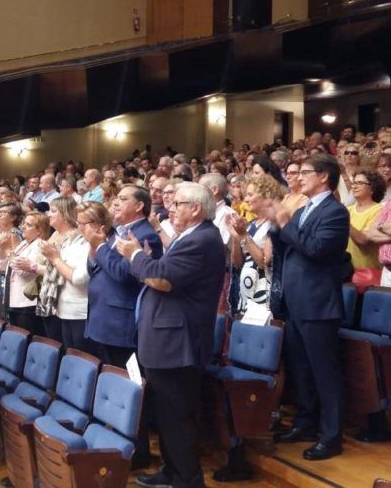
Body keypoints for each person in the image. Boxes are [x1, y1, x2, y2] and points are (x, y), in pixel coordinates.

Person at [117, 182, 226, 488]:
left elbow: (162, 279)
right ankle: (172, 470)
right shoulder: (190, 237)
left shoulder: (202, 239)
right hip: (165, 340)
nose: (171, 208)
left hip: (178, 343)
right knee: (166, 414)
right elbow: (162, 271)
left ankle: (188, 480)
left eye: (178, 203)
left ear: (196, 209)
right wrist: (147, 260)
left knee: (178, 417)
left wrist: (135, 256)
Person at [269, 154, 350, 461]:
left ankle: (331, 437)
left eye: (305, 172)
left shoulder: (335, 212)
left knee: (325, 373)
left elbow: (316, 249)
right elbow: (289, 248)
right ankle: (305, 423)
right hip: (294, 300)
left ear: (324, 177)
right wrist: (278, 228)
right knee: (301, 369)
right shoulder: (304, 207)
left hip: (318, 304)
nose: (298, 177)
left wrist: (286, 222)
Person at [82, 185, 163, 367]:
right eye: (116, 198)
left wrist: (101, 246)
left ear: (139, 206)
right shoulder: (118, 231)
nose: (116, 202)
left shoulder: (146, 236)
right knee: (106, 376)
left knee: (123, 380)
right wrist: (94, 249)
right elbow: (95, 269)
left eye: (124, 199)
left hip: (119, 323)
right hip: (102, 317)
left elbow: (123, 274)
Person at [39, 198, 91, 351]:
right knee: (64, 352)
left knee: (79, 354)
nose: (49, 214)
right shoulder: (58, 237)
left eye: (53, 211)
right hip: (57, 300)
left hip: (75, 305)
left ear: (66, 214)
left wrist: (39, 265)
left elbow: (75, 276)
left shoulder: (77, 239)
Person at [228, 175, 282, 315]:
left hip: (264, 293)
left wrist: (244, 236)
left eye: (250, 195)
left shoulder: (275, 224)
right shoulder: (250, 224)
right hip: (245, 291)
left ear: (267, 196)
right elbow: (238, 264)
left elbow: (265, 262)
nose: (246, 199)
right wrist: (235, 237)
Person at [0, 212, 50, 335]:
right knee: (16, 336)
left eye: (29, 225)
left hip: (27, 302)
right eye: (24, 223)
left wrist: (8, 250)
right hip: (13, 299)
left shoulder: (40, 245)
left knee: (26, 336)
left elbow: (23, 271)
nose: (23, 227)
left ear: (39, 231)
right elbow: (3, 266)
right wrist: (1, 248)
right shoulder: (23, 244)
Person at [346, 169, 386, 270]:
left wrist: (344, 221)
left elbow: (363, 241)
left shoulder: (380, 210)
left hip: (368, 273)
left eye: (360, 183)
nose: (354, 186)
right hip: (345, 270)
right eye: (354, 183)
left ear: (372, 188)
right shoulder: (348, 210)